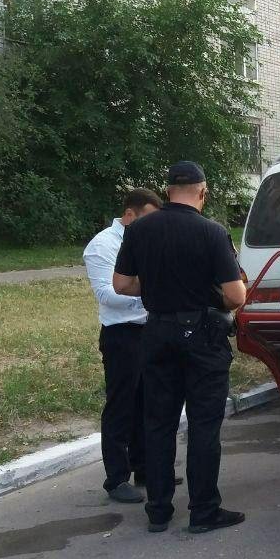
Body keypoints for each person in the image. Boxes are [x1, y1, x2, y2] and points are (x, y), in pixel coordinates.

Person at [112, 161, 247, 534]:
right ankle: (204, 510)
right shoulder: (211, 232)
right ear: (203, 192)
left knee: (158, 423)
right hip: (202, 337)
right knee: (204, 425)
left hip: (156, 333)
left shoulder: (139, 230)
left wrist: (158, 286)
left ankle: (158, 511)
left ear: (168, 191)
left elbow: (122, 284)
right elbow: (236, 295)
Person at [83, 189, 163, 503]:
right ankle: (116, 478)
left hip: (149, 329)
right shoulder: (103, 245)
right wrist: (152, 291)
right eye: (147, 219)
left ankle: (144, 468)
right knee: (121, 405)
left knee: (148, 402)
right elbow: (107, 294)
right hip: (122, 334)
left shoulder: (146, 239)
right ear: (129, 214)